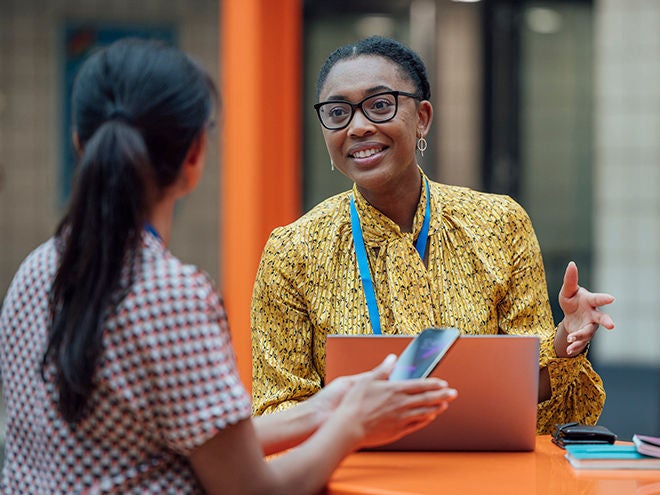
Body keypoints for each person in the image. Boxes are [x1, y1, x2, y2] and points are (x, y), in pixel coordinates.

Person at [0, 38, 459, 494]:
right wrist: (353, 426)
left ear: (79, 142)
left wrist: (329, 408)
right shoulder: (172, 295)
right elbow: (252, 489)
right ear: (196, 154)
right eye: (339, 112)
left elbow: (198, 440)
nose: (359, 127)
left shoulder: (36, 270)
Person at [250, 35, 615, 434]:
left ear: (422, 117)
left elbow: (531, 399)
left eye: (379, 105)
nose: (358, 127)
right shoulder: (293, 251)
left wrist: (564, 342)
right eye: (338, 112)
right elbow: (277, 409)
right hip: (355, 477)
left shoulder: (499, 224)